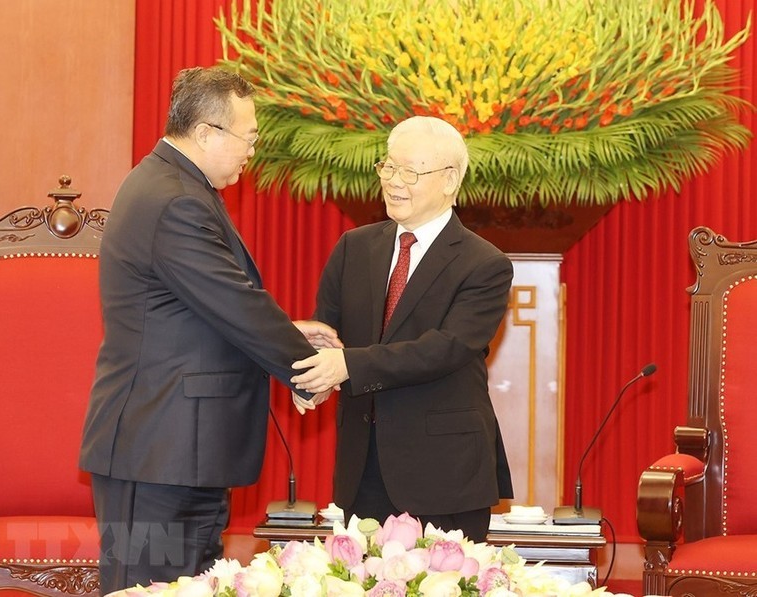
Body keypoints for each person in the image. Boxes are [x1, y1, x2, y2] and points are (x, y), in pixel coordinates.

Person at [79, 66, 337, 594]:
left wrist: (287, 330)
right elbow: (235, 303)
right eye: (249, 137)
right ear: (205, 133)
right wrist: (307, 371)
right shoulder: (175, 198)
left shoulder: (173, 184)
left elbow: (202, 307)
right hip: (158, 450)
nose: (253, 150)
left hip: (177, 449)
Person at [291, 116, 514, 543]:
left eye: (410, 172)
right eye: (388, 167)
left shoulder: (484, 264)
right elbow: (327, 333)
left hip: (444, 473)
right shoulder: (354, 248)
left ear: (450, 180)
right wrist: (312, 375)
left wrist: (346, 366)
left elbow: (445, 348)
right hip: (363, 467)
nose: (394, 181)